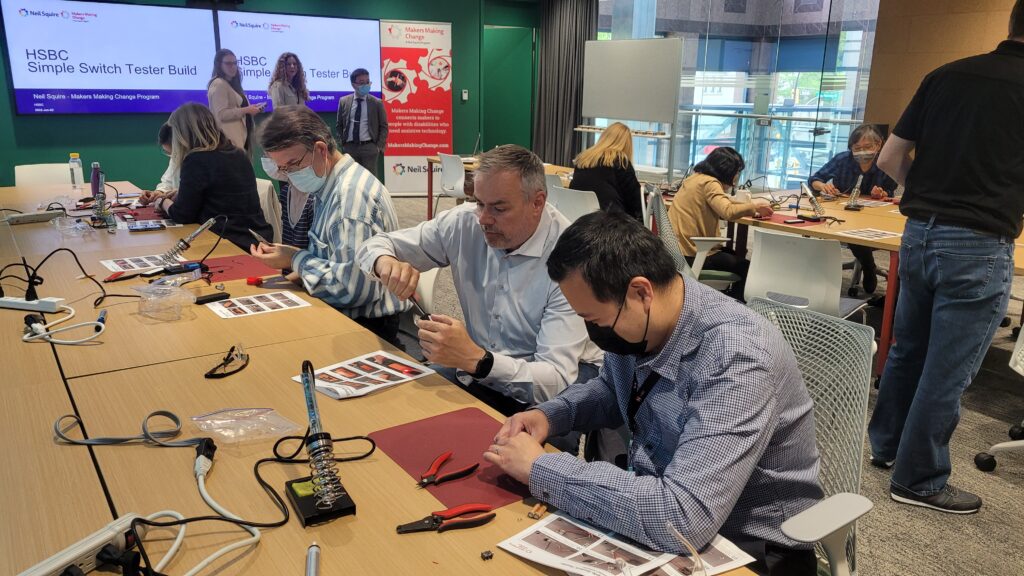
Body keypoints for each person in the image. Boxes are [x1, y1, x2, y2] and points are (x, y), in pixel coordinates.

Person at [482, 210, 822, 575]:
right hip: (668, 506)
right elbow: (614, 391)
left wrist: (540, 468)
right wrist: (553, 414)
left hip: (749, 548)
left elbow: (682, 516)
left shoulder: (737, 357)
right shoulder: (645, 319)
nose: (592, 331)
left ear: (641, 292)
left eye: (595, 320)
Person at [868, 2, 1024, 515]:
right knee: (947, 371)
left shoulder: (945, 75)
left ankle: (885, 448)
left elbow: (889, 158)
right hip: (979, 244)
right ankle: (920, 480)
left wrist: (925, 195)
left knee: (908, 349)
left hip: (917, 235)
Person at [356, 145, 603, 431]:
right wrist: (383, 261)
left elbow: (553, 380)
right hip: (480, 361)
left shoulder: (571, 260)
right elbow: (375, 245)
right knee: (399, 417)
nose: (484, 219)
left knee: (518, 461)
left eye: (499, 208)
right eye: (478, 203)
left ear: (538, 203)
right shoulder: (465, 223)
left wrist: (476, 360)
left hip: (556, 380)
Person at [249, 105, 407, 345]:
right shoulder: (330, 184)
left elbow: (352, 289)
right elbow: (336, 261)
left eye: (292, 165)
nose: (289, 175)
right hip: (348, 314)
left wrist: (295, 260)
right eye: (282, 169)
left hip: (366, 327)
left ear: (320, 150)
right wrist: (297, 261)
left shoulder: (349, 200)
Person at [138, 103, 272, 252]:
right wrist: (180, 195)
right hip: (254, 238)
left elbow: (182, 215)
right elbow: (220, 197)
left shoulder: (196, 159)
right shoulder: (238, 153)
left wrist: (161, 201)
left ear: (182, 134)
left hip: (226, 241)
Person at [667, 147, 772, 298]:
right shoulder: (710, 183)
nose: (736, 177)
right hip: (694, 253)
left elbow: (722, 202)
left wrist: (750, 205)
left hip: (677, 250)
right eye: (736, 172)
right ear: (727, 171)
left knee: (733, 254)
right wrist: (753, 207)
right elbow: (727, 211)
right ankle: (736, 307)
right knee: (747, 267)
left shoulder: (695, 178)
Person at [809, 124, 897, 294]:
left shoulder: (885, 163)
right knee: (849, 229)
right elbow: (815, 179)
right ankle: (868, 265)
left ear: (879, 145)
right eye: (857, 148)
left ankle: (868, 266)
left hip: (876, 216)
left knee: (856, 232)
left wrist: (882, 193)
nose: (862, 152)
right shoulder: (843, 159)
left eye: (868, 147)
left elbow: (891, 193)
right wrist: (823, 186)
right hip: (843, 213)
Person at [265, 52, 314, 249]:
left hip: (301, 139)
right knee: (287, 189)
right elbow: (279, 112)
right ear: (281, 67)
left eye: (295, 64)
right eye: (288, 64)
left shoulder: (299, 87)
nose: (292, 67)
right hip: (286, 139)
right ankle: (289, 237)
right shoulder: (278, 86)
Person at [569, 122, 643, 220]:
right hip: (609, 226)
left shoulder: (583, 159)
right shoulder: (621, 162)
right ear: (626, 144)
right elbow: (637, 204)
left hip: (578, 223)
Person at [207, 48, 263, 153]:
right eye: (228, 64)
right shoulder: (219, 84)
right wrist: (246, 110)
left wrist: (252, 109)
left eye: (235, 63)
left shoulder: (232, 84)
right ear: (219, 65)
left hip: (241, 139)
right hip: (229, 141)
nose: (233, 67)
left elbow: (238, 109)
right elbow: (221, 114)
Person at [336, 68, 388, 178]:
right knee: (350, 179)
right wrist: (342, 144)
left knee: (370, 181)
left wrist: (378, 146)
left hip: (369, 148)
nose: (366, 85)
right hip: (349, 149)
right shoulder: (343, 101)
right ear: (353, 84)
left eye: (367, 81)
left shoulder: (376, 103)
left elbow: (384, 126)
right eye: (361, 82)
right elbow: (339, 125)